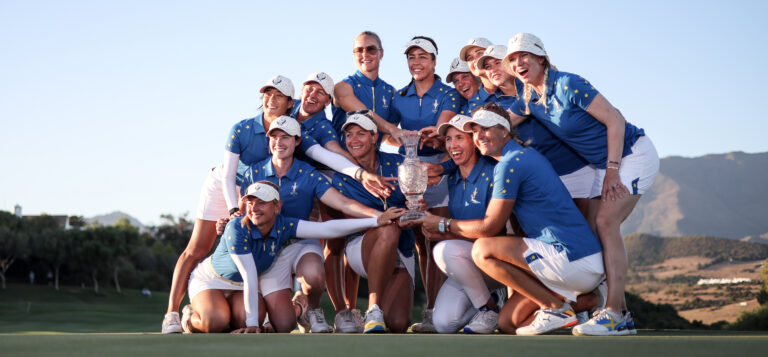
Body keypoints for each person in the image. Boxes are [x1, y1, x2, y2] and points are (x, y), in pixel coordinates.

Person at [161, 75, 395, 334]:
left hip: (264, 193)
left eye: (278, 97)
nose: (272, 101)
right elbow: (229, 176)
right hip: (232, 185)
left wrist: (362, 179)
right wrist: (234, 213)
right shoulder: (242, 128)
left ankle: (293, 309)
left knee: (272, 307)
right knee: (196, 249)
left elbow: (326, 155)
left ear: (289, 104)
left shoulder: (301, 130)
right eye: (267, 95)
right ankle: (173, 312)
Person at [502, 33, 659, 335]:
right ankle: (620, 312)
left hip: (631, 154)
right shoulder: (528, 98)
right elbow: (500, 124)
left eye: (525, 56)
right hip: (605, 164)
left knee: (605, 221)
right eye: (513, 59)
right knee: (591, 233)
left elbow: (615, 120)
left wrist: (613, 170)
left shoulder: (569, 84)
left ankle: (613, 312)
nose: (518, 63)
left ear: (541, 58)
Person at [415, 104, 605, 335]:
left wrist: (442, 224)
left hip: (571, 256)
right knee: (508, 323)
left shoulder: (510, 163)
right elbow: (458, 165)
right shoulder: (515, 157)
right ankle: (585, 301)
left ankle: (555, 307)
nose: (480, 136)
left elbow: (490, 227)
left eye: (486, 128)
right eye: (475, 131)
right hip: (562, 262)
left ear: (505, 130)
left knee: (483, 250)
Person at [181, 181, 404, 333]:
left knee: (277, 323)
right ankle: (191, 317)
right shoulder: (237, 228)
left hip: (243, 287)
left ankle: (294, 308)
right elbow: (249, 274)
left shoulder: (284, 225)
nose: (254, 208)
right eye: (250, 202)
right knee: (214, 321)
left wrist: (376, 220)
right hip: (212, 281)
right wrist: (252, 326)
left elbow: (328, 230)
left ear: (277, 207)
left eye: (261, 202)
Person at [237, 116, 388, 333]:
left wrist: (378, 216)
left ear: (297, 141)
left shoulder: (307, 172)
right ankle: (299, 309)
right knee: (283, 324)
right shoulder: (253, 172)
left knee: (314, 276)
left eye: (285, 138)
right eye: (274, 137)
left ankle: (314, 310)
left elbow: (342, 202)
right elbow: (243, 214)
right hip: (266, 248)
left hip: (301, 242)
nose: (278, 143)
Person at [388, 36, 460, 332]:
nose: (416, 63)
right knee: (420, 244)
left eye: (423, 57)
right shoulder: (399, 95)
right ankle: (430, 307)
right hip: (410, 173)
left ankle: (434, 310)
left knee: (438, 238)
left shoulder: (448, 93)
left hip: (440, 172)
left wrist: (432, 135)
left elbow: (442, 130)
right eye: (411, 57)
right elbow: (389, 133)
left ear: (433, 62)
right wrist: (402, 138)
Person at [328, 31, 400, 329]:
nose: (364, 54)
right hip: (338, 166)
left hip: (372, 167)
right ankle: (343, 310)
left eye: (370, 49)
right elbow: (357, 110)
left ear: (381, 53)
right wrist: (390, 129)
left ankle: (366, 309)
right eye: (359, 50)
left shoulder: (390, 92)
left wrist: (410, 141)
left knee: (373, 228)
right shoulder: (344, 85)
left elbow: (395, 137)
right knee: (334, 240)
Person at [477, 45, 593, 216]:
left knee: (591, 232)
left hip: (578, 169)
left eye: (497, 63)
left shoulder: (539, 82)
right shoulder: (495, 107)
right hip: (543, 180)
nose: (493, 69)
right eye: (488, 67)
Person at [332, 113, 416, 333]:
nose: (354, 140)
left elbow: (413, 203)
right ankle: (373, 309)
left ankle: (380, 311)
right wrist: (387, 218)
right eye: (349, 135)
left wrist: (415, 209)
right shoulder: (342, 174)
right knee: (387, 227)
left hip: (401, 249)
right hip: (361, 248)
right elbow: (351, 217)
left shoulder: (398, 163)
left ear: (374, 137)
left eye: (361, 133)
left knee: (398, 323)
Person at [428, 115, 505, 334]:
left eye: (459, 138)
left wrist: (441, 229)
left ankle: (488, 309)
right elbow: (455, 224)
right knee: (444, 324)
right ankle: (491, 301)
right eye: (449, 139)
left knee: (445, 249)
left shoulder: (493, 172)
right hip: (470, 263)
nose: (453, 145)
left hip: (496, 259)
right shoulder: (452, 178)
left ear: (474, 140)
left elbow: (492, 230)